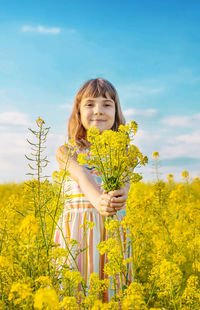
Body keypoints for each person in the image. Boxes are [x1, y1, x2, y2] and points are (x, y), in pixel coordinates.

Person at [54, 78, 130, 299]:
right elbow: (82, 174)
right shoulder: (66, 151)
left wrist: (118, 198)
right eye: (89, 104)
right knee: (73, 294)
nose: (98, 110)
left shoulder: (124, 152)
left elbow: (125, 184)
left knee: (111, 294)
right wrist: (99, 201)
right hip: (76, 235)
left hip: (112, 233)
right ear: (78, 111)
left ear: (116, 112)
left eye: (107, 104)